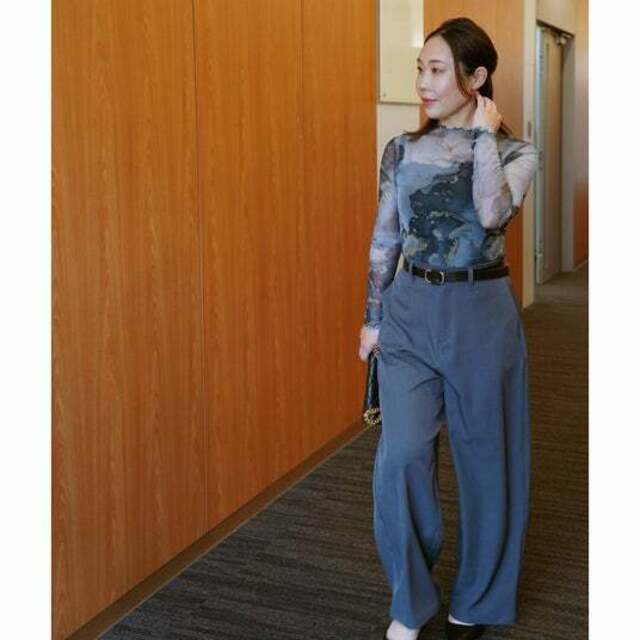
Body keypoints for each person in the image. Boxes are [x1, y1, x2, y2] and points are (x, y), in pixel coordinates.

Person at [358, 17, 539, 640]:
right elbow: (385, 237)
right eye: (421, 69)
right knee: (401, 456)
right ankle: (410, 600)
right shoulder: (401, 151)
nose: (423, 83)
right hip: (410, 310)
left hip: (480, 314)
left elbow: (491, 214)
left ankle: (477, 599)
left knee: (486, 460)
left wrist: (484, 138)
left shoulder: (517, 153)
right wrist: (372, 318)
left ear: (476, 77)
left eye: (437, 70)